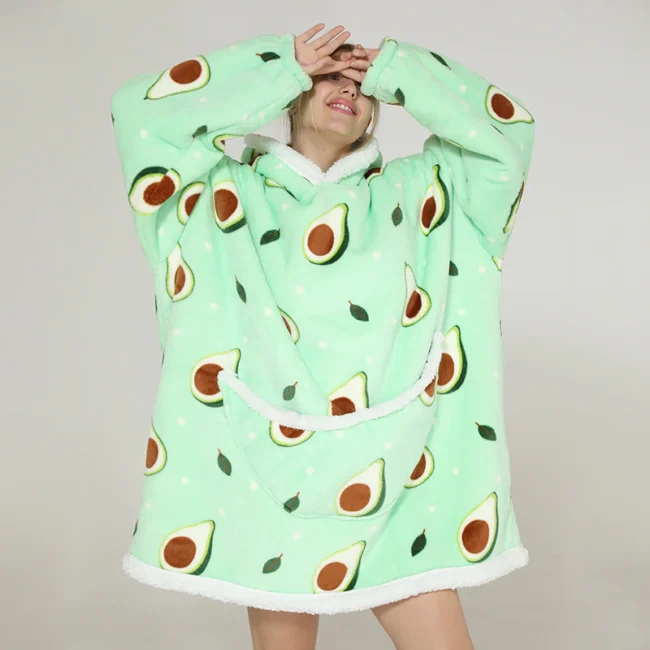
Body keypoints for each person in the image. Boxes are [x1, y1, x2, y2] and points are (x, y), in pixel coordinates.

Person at [110, 23, 535, 650]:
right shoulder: (212, 194)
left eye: (361, 82)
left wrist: (401, 70)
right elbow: (141, 114)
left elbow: (507, 137)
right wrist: (278, 64)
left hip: (403, 476)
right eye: (328, 75)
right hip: (265, 476)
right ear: (290, 97)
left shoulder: (434, 192)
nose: (348, 88)